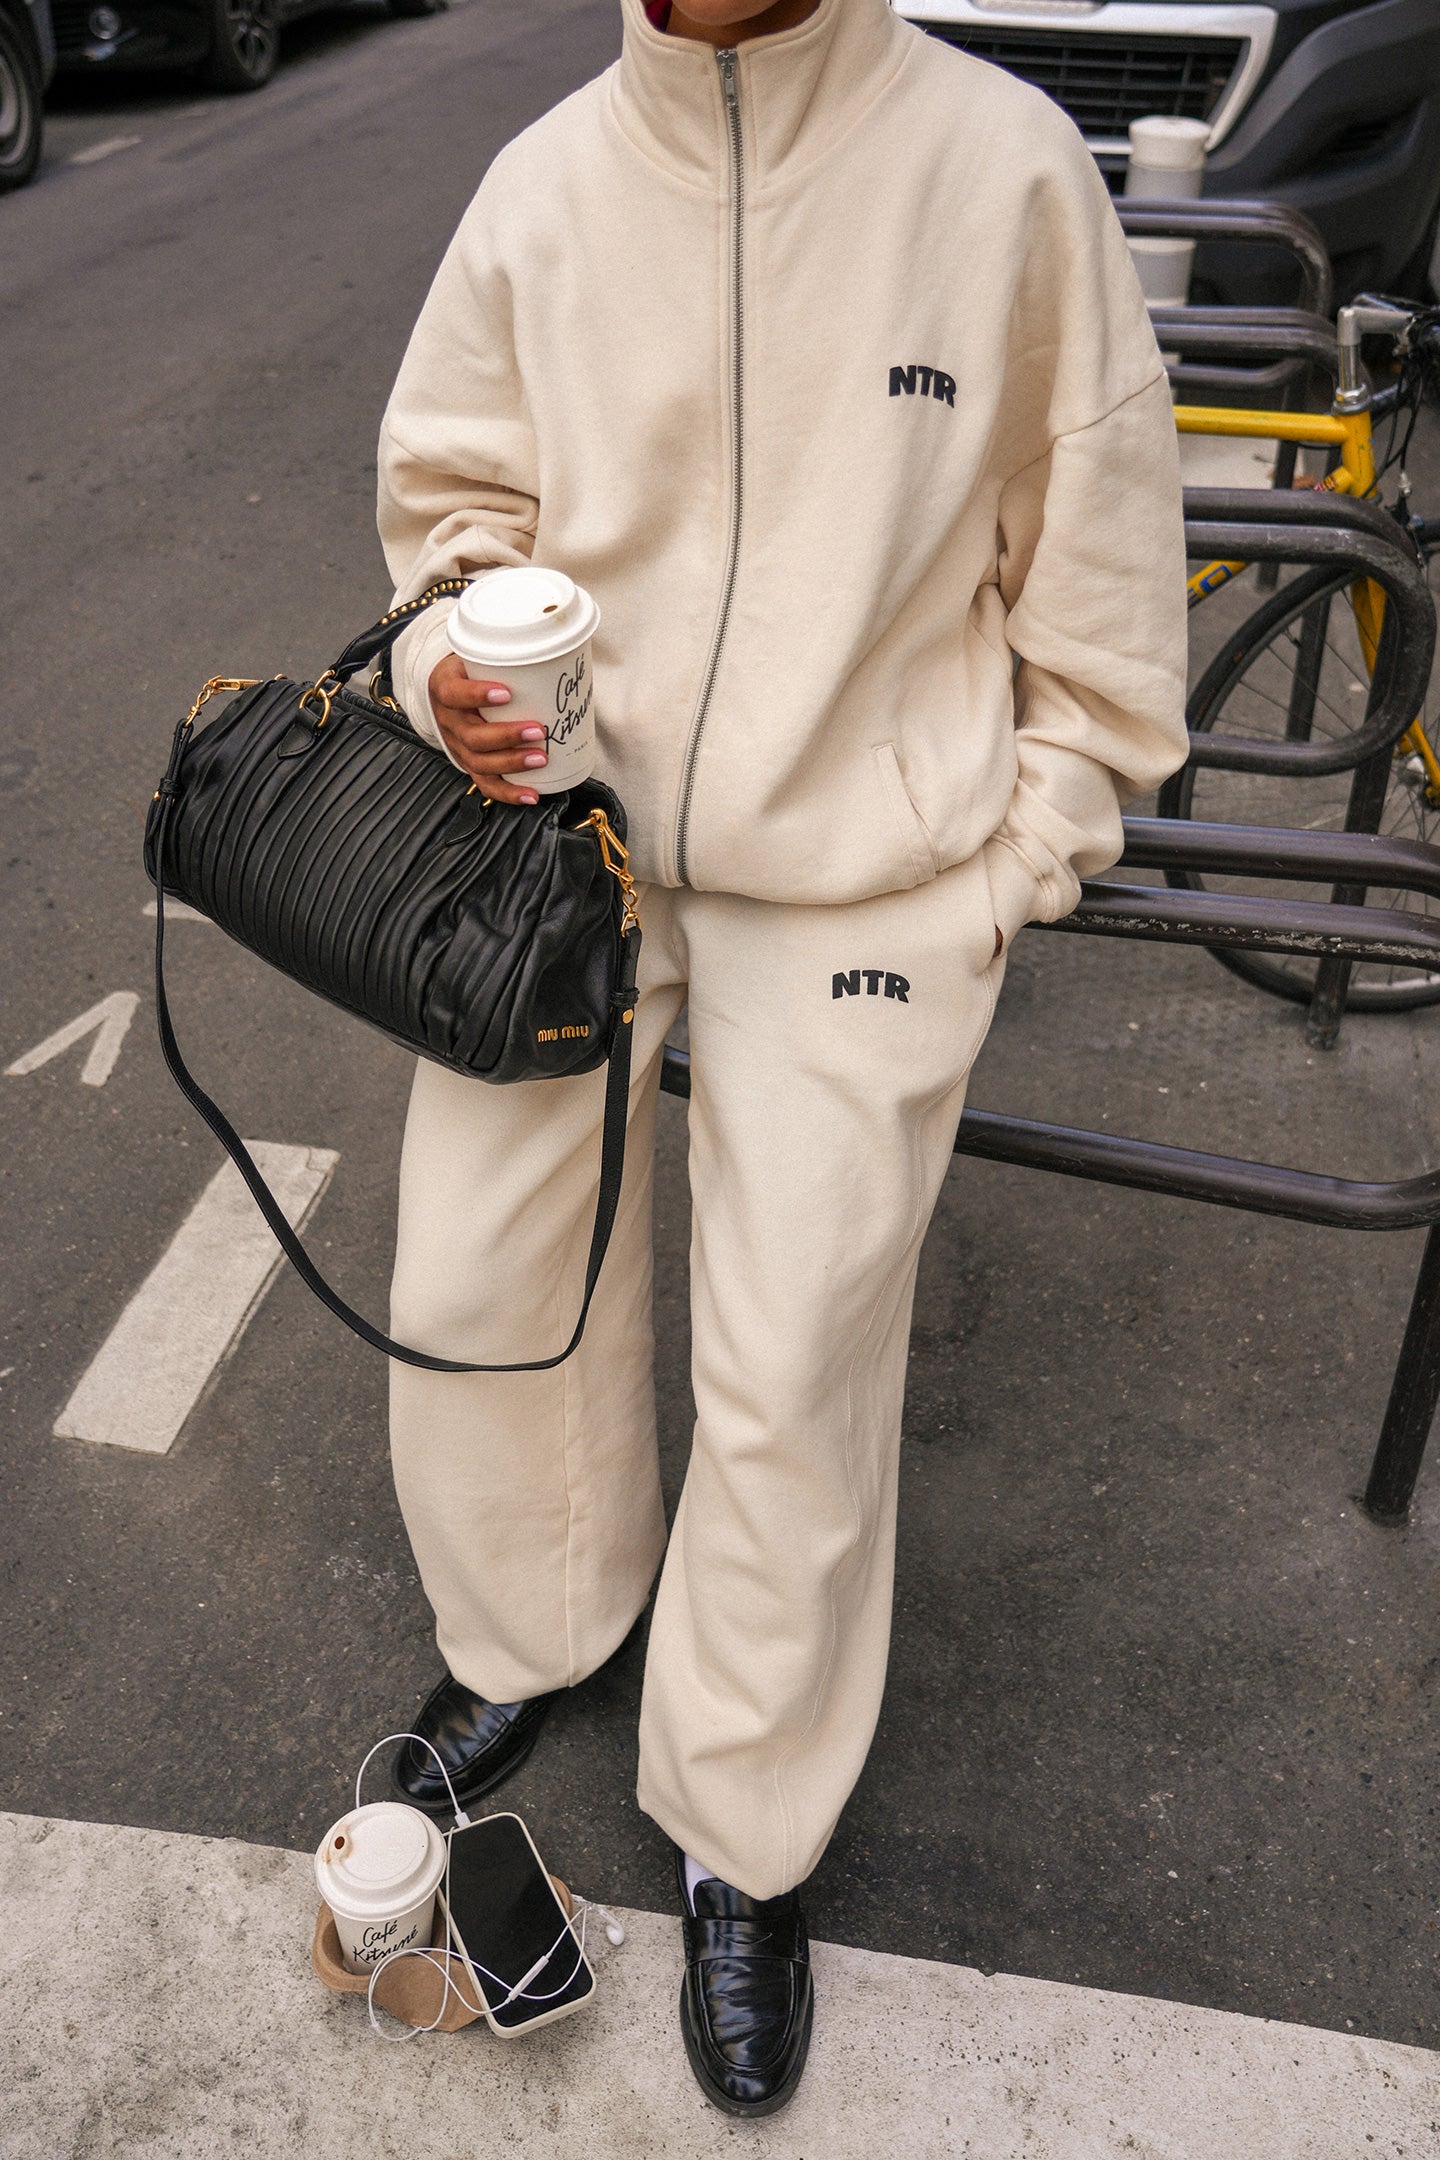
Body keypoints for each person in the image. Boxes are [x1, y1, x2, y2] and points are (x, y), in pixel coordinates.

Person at [375, 0, 1187, 2116]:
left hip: (865, 882)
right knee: (481, 1270)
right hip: (565, 842)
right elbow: (452, 515)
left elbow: (1103, 593)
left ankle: (746, 1824)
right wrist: (448, 657)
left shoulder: (1000, 171)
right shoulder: (548, 185)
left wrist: (1012, 861)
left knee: (797, 1356)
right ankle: (533, 1629)